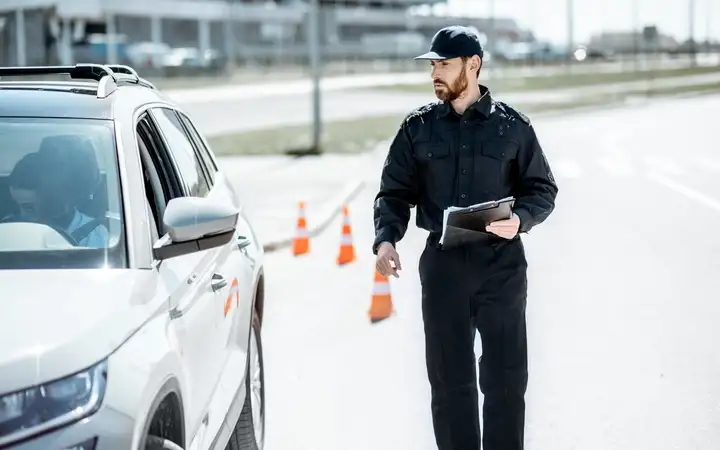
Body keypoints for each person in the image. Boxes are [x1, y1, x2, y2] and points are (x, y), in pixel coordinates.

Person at [372, 26, 558, 450]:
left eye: (444, 63)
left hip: (501, 267)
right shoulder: (417, 129)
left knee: (506, 380)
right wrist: (387, 240)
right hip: (443, 269)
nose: (435, 72)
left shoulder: (513, 127)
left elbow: (542, 189)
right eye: (433, 64)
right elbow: (394, 192)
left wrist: (522, 219)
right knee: (450, 382)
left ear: (472, 65)